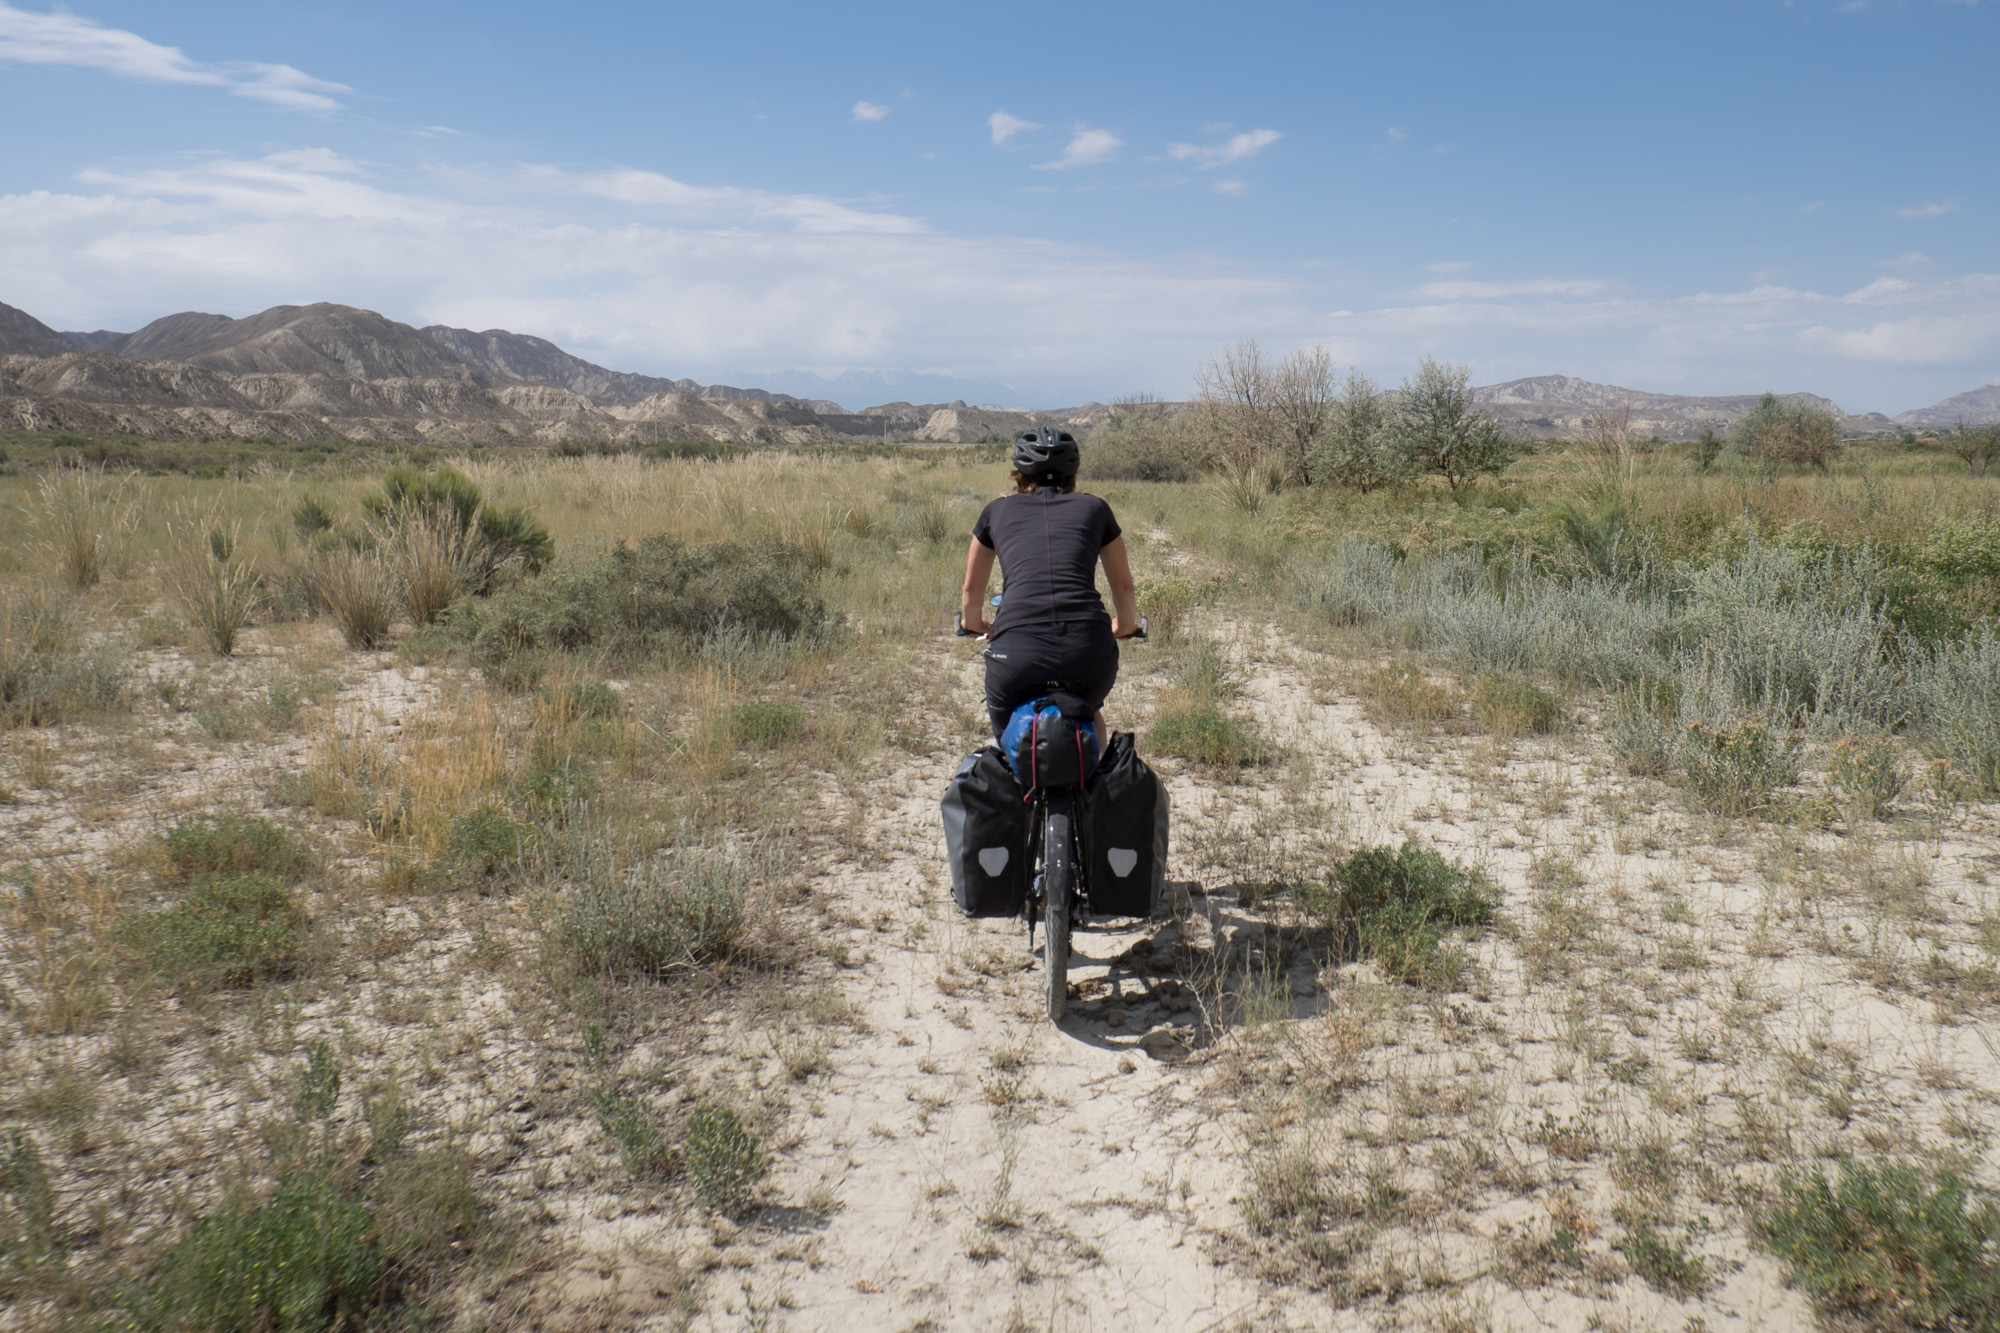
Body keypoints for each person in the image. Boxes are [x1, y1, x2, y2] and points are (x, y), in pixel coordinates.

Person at [960, 427, 1139, 756]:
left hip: (1016, 653)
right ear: (1073, 474)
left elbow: (971, 588)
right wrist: (1125, 626)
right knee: (1089, 710)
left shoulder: (995, 512)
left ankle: (1015, 779)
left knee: (1008, 737)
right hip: (1088, 648)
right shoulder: (1096, 509)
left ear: (1019, 474)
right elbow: (1124, 586)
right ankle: (1096, 779)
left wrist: (974, 624)